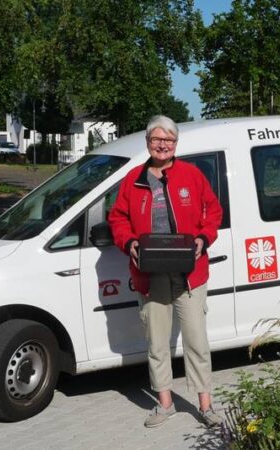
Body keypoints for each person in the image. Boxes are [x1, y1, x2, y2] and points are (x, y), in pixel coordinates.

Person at [108, 115, 223, 428]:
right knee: (157, 342)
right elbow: (117, 219)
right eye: (157, 139)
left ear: (176, 144)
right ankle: (166, 404)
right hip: (150, 273)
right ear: (148, 142)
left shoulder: (192, 175)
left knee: (196, 340)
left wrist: (203, 238)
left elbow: (213, 212)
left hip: (189, 272)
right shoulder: (133, 179)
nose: (162, 145)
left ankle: (206, 405)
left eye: (168, 140)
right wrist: (129, 242)